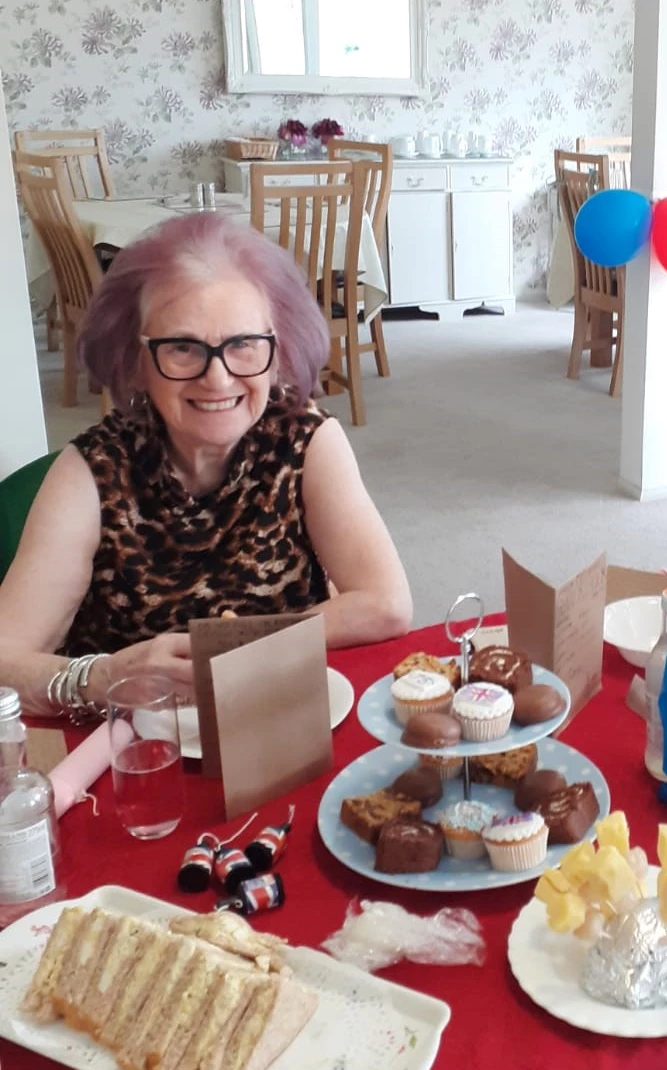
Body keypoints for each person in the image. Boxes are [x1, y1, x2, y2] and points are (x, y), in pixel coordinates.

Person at [0, 213, 412, 718]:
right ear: (136, 359)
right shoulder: (91, 471)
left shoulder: (306, 439)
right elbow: (4, 659)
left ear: (278, 348)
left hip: (276, 726)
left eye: (243, 344)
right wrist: (100, 678)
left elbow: (386, 603)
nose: (217, 379)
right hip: (137, 751)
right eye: (181, 348)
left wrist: (234, 651)